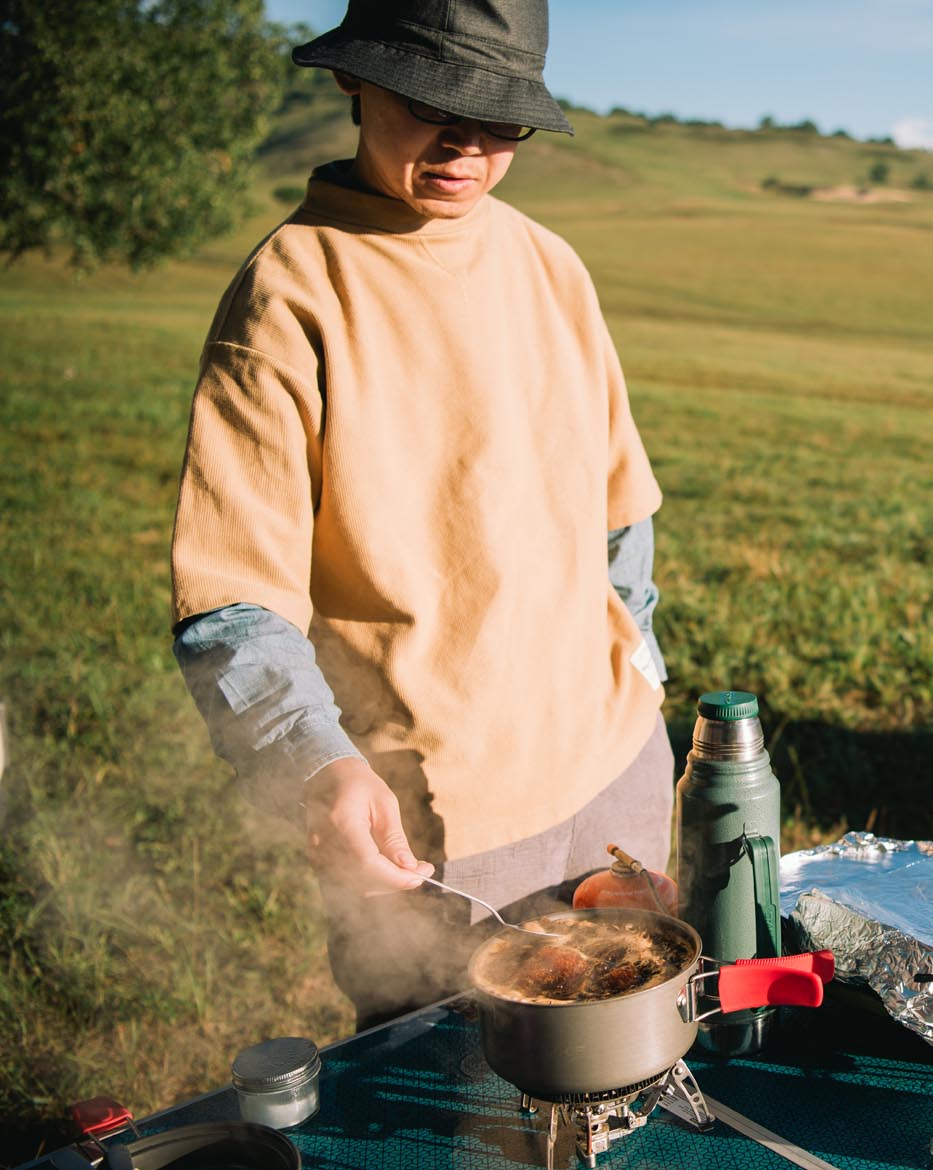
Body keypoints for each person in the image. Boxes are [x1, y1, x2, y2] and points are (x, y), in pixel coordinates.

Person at [170, 0, 673, 1027]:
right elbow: (231, 603)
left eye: (500, 119)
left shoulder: (551, 266)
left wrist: (643, 674)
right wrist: (318, 763)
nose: (467, 145)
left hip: (615, 770)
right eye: (431, 101)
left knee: (636, 1072)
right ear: (356, 80)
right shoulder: (288, 297)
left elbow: (620, 514)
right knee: (454, 1125)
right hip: (435, 823)